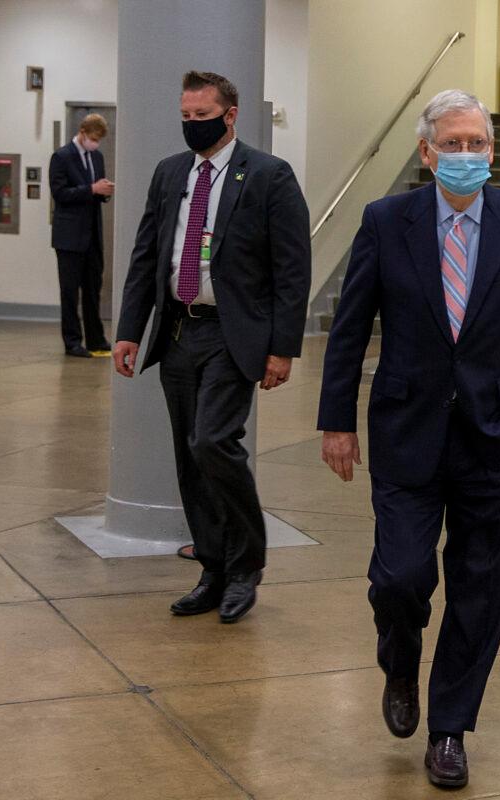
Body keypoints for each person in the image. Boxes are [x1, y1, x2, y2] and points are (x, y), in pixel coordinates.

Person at [317, 89, 500, 788]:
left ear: (493, 151)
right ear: (427, 153)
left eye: (478, 144)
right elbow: (349, 328)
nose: (467, 156)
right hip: (406, 428)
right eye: (453, 144)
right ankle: (399, 661)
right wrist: (335, 420)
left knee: (480, 587)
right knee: (400, 576)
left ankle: (450, 728)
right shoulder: (385, 220)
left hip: (495, 435)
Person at [112, 71, 311, 623]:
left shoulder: (269, 175)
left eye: (202, 116)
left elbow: (293, 270)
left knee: (213, 442)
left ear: (230, 115)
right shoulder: (169, 173)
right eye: (186, 115)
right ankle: (213, 568)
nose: (191, 125)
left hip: (233, 334)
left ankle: (246, 563)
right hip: (178, 330)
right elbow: (146, 256)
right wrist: (130, 328)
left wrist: (283, 348)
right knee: (189, 457)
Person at [49, 113, 115, 357]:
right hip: (69, 236)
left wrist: (103, 191)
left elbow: (96, 192)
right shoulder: (61, 157)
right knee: (69, 291)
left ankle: (96, 338)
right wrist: (91, 189)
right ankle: (72, 341)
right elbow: (60, 193)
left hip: (92, 234)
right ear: (83, 132)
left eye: (99, 139)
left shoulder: (96, 157)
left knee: (92, 288)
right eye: (93, 138)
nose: (95, 143)